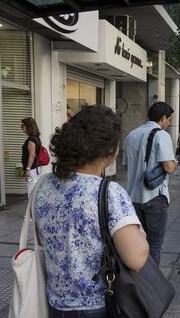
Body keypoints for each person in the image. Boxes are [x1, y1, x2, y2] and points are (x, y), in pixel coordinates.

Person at [33, 105, 149, 317]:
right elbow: (136, 258)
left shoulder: (43, 185)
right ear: (110, 152)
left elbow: (43, 239)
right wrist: (140, 234)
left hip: (55, 305)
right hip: (97, 307)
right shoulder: (108, 193)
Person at [123, 102, 178, 264]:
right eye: (169, 119)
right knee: (154, 245)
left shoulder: (132, 135)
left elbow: (127, 165)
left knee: (139, 243)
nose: (169, 123)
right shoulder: (161, 135)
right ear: (162, 118)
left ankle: (141, 279)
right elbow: (168, 167)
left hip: (133, 197)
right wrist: (174, 163)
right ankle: (152, 284)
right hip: (155, 197)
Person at [21, 117, 43, 196]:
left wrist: (28, 169)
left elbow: (32, 154)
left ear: (28, 126)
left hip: (32, 168)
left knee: (31, 190)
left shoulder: (31, 139)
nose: (22, 128)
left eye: (22, 125)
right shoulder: (36, 138)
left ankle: (31, 207)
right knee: (34, 188)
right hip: (35, 167)